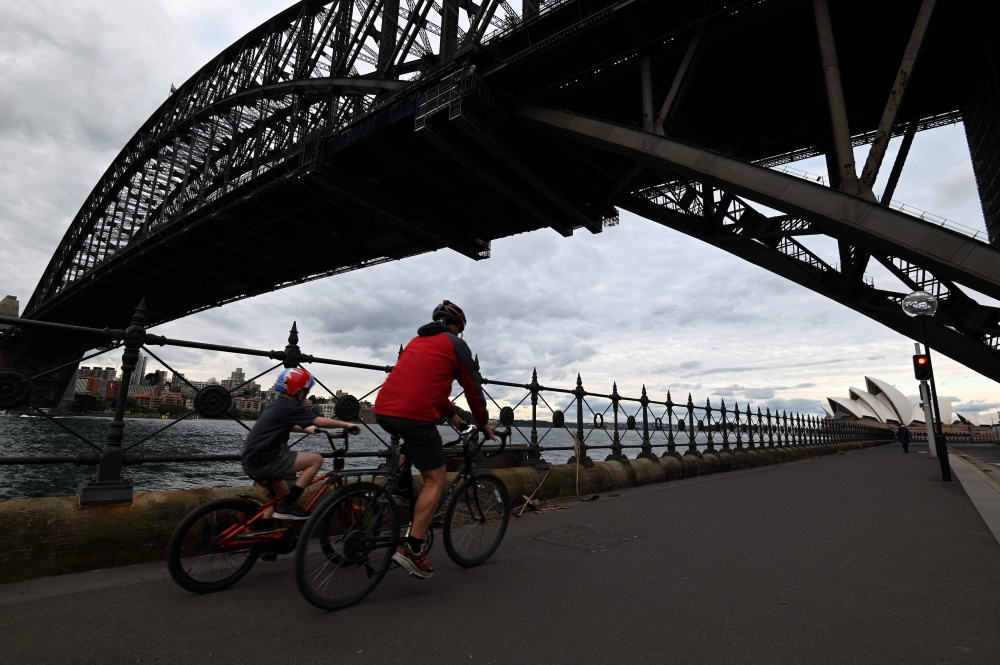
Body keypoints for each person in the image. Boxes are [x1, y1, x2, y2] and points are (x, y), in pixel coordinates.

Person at [374, 300, 494, 579]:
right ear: (457, 327)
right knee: (435, 479)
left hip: (383, 410)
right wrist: (483, 421)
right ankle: (412, 550)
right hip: (415, 416)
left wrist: (452, 416)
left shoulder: (417, 341)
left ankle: (400, 485)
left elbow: (429, 386)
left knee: (414, 441)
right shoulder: (454, 344)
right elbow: (472, 387)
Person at [242, 367, 360, 519]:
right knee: (316, 460)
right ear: (298, 391)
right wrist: (346, 425)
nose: (306, 396)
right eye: (306, 392)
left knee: (280, 498)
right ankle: (289, 505)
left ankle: (266, 532)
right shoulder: (291, 406)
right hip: (267, 460)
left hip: (252, 459)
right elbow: (319, 420)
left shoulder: (277, 405)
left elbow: (285, 424)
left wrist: (306, 429)